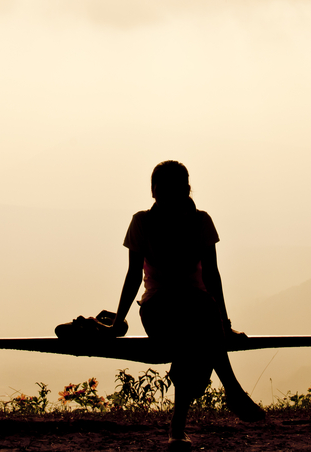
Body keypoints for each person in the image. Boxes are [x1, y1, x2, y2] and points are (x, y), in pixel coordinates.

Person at [103, 160, 265, 450]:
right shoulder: (144, 222)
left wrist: (223, 324)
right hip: (162, 308)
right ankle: (231, 391)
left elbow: (211, 276)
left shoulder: (199, 221)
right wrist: (117, 322)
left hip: (195, 312)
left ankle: (178, 428)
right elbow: (134, 276)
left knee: (193, 330)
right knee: (199, 321)